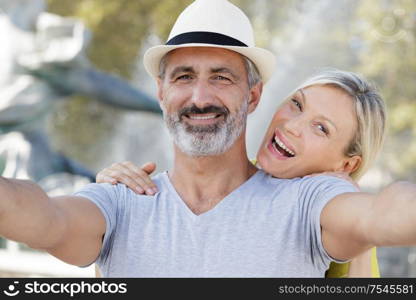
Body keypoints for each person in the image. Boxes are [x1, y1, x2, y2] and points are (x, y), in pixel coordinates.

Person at [1, 0, 416, 278]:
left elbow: (385, 210)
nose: (200, 98)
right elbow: (43, 216)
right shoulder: (120, 199)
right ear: (162, 94)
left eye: (221, 77)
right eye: (184, 77)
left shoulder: (308, 201)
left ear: (252, 96)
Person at [95, 69, 384, 278]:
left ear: (347, 165)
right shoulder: (230, 183)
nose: (293, 126)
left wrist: (360, 232)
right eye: (296, 104)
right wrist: (111, 206)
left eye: (321, 128)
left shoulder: (340, 218)